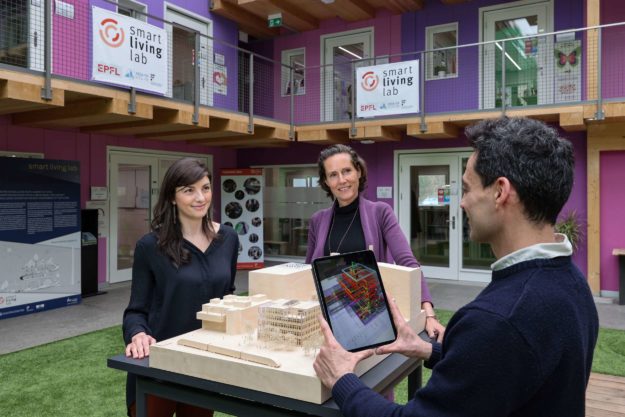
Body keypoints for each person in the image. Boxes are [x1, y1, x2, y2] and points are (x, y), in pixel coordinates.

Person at [313, 117, 599, 417]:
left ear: (500, 191)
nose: (461, 203)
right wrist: (428, 349)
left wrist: (341, 379)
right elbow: (496, 372)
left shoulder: (496, 321)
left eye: (466, 188)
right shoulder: (574, 286)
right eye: (333, 175)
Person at [122, 158, 239, 417]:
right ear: (173, 197)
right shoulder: (149, 246)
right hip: (159, 366)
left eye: (206, 188)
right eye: (189, 190)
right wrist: (137, 334)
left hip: (205, 365)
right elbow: (135, 311)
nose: (200, 197)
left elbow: (228, 295)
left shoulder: (229, 239)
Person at [305, 144, 445, 340]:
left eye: (347, 171)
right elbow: (307, 270)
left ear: (359, 172)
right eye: (333, 175)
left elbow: (408, 262)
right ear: (326, 181)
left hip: (370, 316)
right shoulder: (317, 220)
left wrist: (428, 313)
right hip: (328, 318)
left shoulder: (380, 212)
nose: (342, 180)